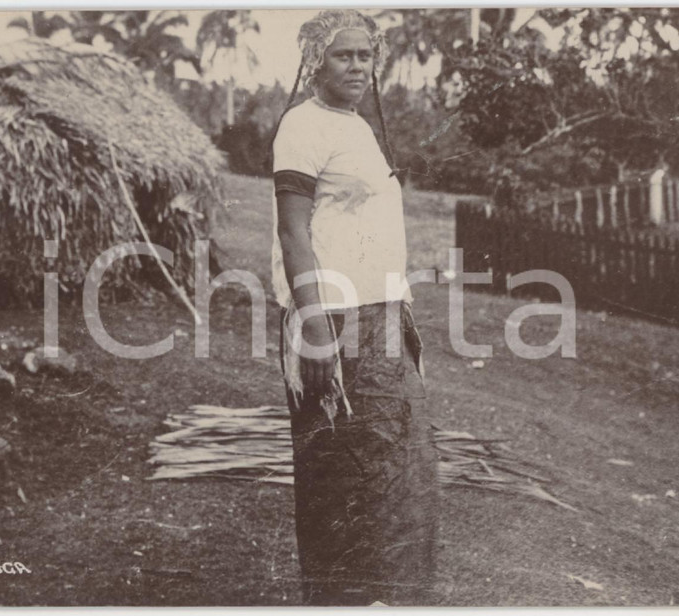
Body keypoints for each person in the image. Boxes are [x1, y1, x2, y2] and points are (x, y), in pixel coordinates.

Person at [270, 9, 439, 606]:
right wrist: (314, 325)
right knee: (340, 470)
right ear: (317, 59)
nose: (358, 66)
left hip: (383, 315)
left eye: (366, 55)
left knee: (398, 468)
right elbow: (294, 233)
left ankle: (390, 599)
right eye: (344, 55)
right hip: (335, 319)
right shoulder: (302, 125)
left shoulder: (358, 127)